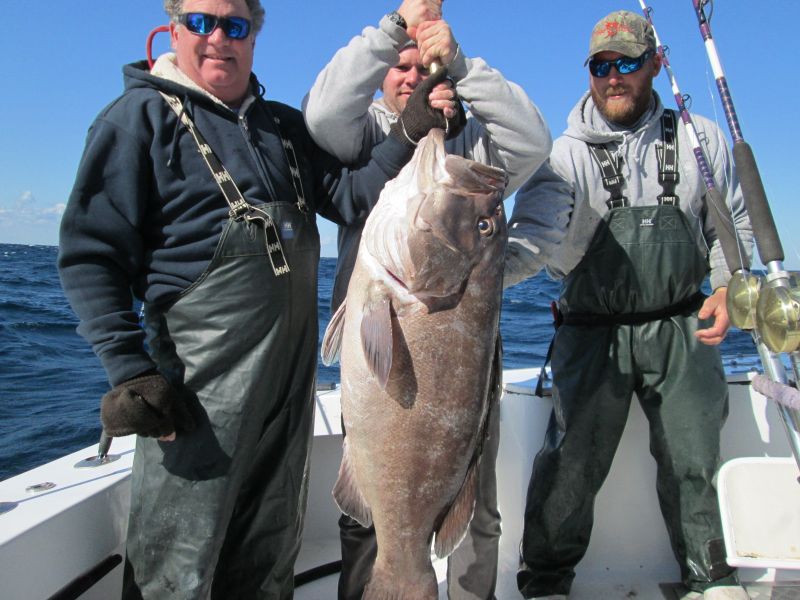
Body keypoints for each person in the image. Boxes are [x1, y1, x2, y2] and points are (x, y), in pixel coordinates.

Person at [57, 0, 454, 598]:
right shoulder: (136, 120)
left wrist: (410, 128)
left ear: (253, 35)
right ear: (173, 28)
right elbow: (91, 255)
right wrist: (130, 372)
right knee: (178, 569)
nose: (218, 37)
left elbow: (349, 198)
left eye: (234, 25)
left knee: (269, 559)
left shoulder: (282, 128)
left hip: (285, 399)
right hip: (195, 406)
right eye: (200, 22)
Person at [302, 1, 552, 598]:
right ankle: (392, 579)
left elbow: (533, 141)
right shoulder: (360, 135)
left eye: (426, 67)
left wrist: (461, 66)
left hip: (459, 372)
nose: (412, 76)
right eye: (400, 65)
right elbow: (321, 112)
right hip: (382, 361)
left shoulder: (465, 149)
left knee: (480, 505)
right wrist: (393, 28)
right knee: (367, 521)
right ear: (382, 71)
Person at [504, 10, 753, 600]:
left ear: (657, 65)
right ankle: (546, 582)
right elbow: (530, 241)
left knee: (695, 457)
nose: (613, 76)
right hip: (592, 332)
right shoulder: (561, 157)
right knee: (569, 465)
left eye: (628, 63)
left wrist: (727, 285)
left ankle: (708, 578)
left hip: (683, 326)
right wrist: (477, 276)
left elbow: (730, 225)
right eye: (600, 65)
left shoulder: (702, 140)